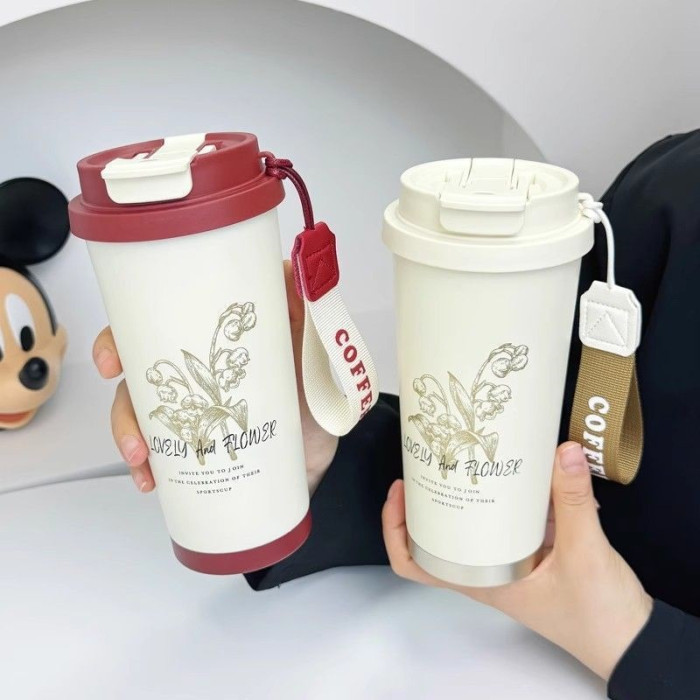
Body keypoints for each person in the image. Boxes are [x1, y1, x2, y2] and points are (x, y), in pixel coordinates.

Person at [93, 131, 700, 699]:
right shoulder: (668, 193)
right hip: (471, 655)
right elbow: (521, 452)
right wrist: (316, 449)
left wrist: (631, 638)